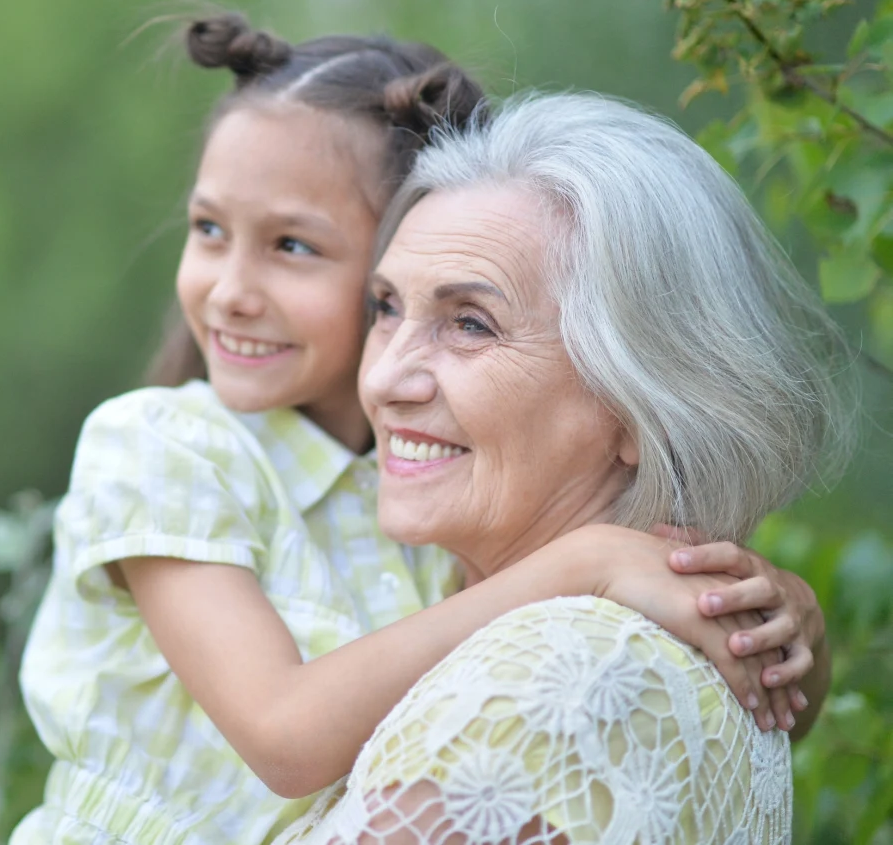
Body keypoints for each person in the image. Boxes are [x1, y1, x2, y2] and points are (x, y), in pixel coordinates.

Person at [11, 17, 827, 845]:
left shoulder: (418, 508)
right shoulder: (168, 443)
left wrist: (784, 628)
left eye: (293, 245)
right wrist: (583, 565)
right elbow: (286, 737)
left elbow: (746, 707)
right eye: (208, 229)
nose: (230, 292)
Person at [275, 91, 856, 844]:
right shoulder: (513, 624)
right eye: (387, 308)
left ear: (639, 405)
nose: (385, 378)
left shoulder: (567, 679)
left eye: (470, 323)